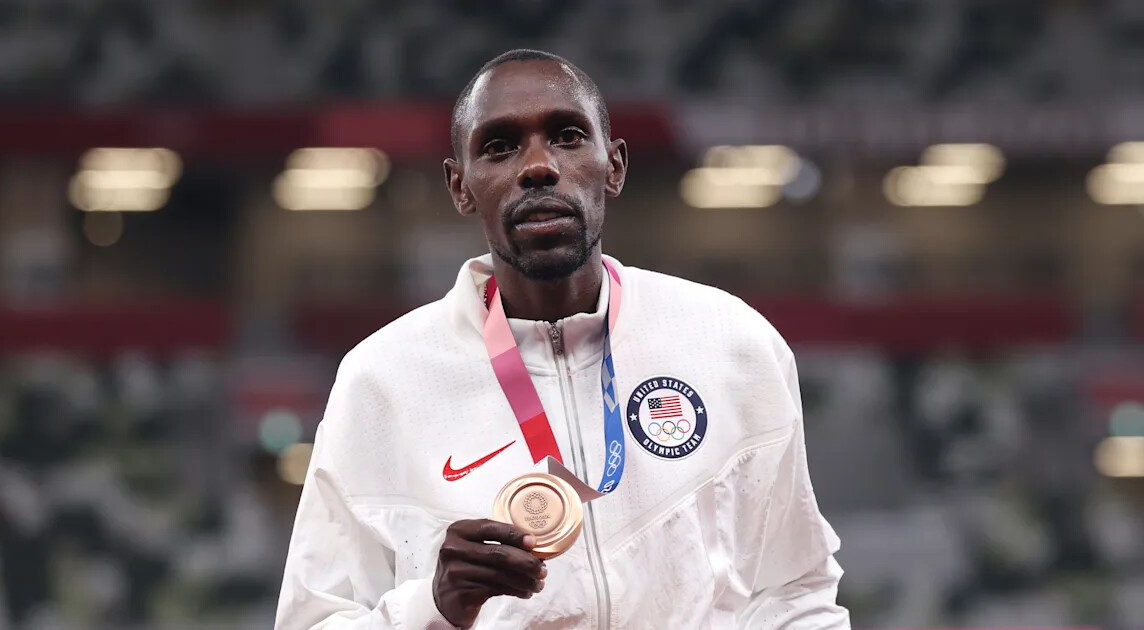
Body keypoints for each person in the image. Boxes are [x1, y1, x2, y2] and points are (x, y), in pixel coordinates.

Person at [275, 49, 849, 629]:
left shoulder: (731, 343)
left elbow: (795, 594)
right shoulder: (381, 381)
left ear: (614, 165)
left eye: (568, 137)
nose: (537, 166)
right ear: (460, 186)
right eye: (499, 146)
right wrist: (433, 607)